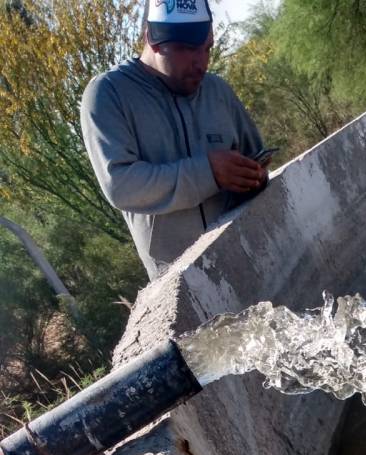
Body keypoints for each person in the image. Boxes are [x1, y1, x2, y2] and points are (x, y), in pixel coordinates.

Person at [81, 0, 269, 280]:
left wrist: (253, 176)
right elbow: (121, 185)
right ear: (151, 40)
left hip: (247, 258)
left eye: (207, 49)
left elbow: (257, 156)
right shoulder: (108, 94)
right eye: (187, 50)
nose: (201, 63)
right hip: (180, 281)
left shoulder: (218, 90)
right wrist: (209, 173)